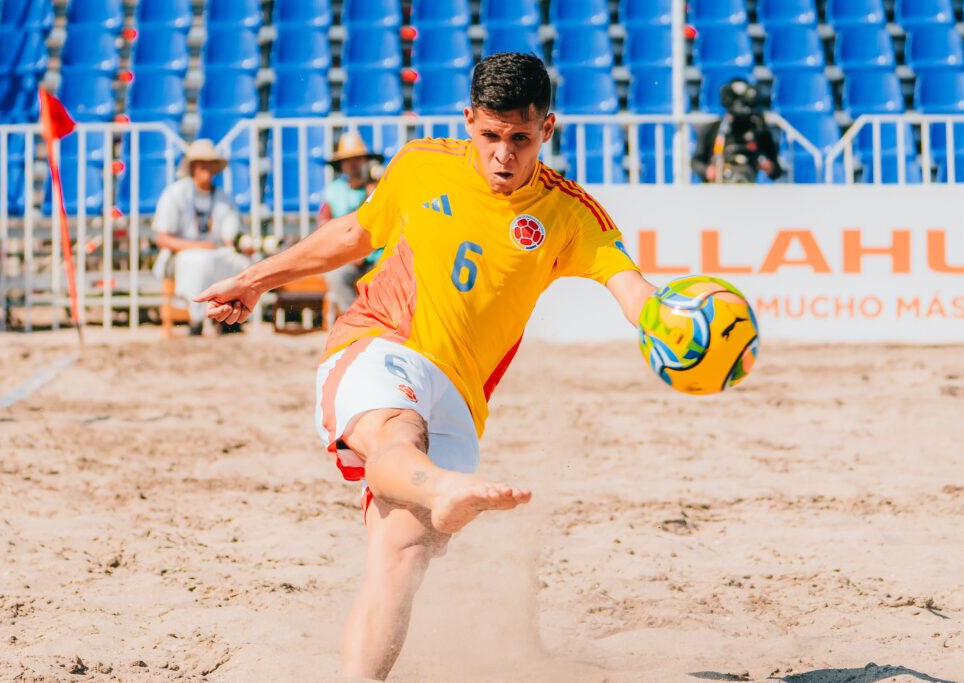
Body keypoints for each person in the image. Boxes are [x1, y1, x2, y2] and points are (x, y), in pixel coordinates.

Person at [195, 53, 658, 680]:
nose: (503, 154)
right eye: (490, 135)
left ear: (546, 130)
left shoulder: (570, 213)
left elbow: (631, 287)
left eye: (520, 138)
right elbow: (354, 235)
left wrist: (667, 324)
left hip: (462, 400)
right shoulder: (421, 165)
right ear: (468, 120)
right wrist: (256, 280)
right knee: (396, 437)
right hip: (380, 343)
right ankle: (441, 487)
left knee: (401, 556)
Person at [151, 139, 251, 335]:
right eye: (200, 163)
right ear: (193, 167)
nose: (205, 168)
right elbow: (162, 239)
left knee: (243, 263)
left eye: (209, 163)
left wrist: (242, 244)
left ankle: (232, 317)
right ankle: (195, 320)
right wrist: (195, 245)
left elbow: (231, 236)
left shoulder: (224, 198)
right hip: (181, 255)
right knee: (199, 262)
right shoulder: (175, 194)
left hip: (216, 252)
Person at [318, 133, 384, 316]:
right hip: (347, 255)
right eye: (349, 160)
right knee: (336, 276)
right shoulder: (333, 192)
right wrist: (347, 253)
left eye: (358, 159)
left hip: (378, 254)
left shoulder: (381, 188)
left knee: (390, 271)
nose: (354, 164)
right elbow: (324, 228)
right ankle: (356, 320)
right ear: (342, 164)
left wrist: (374, 193)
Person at [692, 78, 784, 184]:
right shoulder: (714, 129)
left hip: (749, 189)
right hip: (718, 189)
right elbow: (695, 161)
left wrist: (769, 166)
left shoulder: (759, 131)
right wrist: (707, 171)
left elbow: (776, 169)